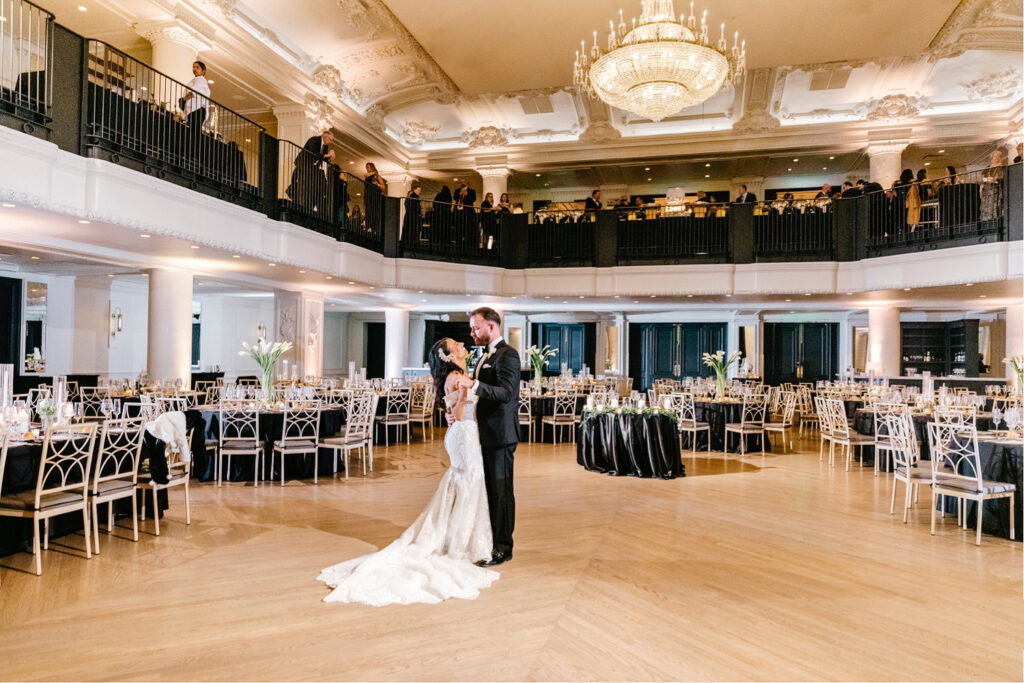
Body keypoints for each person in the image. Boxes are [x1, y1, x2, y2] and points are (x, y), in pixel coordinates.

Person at [317, 337, 499, 605]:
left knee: (467, 482)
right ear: (448, 356)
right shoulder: (456, 377)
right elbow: (459, 415)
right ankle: (458, 543)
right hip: (463, 435)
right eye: (455, 344)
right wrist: (461, 397)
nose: (461, 343)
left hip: (466, 434)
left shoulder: (460, 374)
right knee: (467, 481)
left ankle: (462, 537)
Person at [449, 307, 520, 567]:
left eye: (475, 328)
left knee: (501, 492)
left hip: (501, 434)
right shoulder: (483, 357)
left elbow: (506, 392)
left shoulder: (508, 355)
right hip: (483, 432)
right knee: (489, 490)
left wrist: (474, 384)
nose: (472, 333)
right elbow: (478, 396)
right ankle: (490, 540)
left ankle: (504, 547)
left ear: (491, 327)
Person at [181, 61, 210, 137]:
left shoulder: (201, 79)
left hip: (197, 109)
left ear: (203, 71)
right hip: (194, 109)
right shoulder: (195, 80)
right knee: (193, 131)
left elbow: (195, 91)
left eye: (197, 67)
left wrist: (186, 98)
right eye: (193, 67)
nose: (194, 69)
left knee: (194, 132)